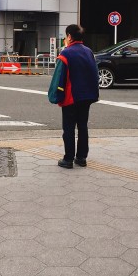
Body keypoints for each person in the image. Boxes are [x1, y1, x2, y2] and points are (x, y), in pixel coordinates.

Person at [47, 24, 99, 169]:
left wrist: (54, 96)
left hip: (71, 97)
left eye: (66, 36)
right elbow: (95, 74)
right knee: (83, 126)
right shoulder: (89, 52)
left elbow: (58, 78)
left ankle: (68, 159)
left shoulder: (65, 54)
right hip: (87, 97)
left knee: (69, 128)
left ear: (69, 37)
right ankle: (81, 158)